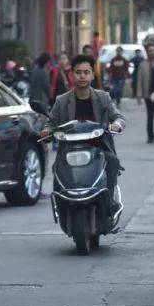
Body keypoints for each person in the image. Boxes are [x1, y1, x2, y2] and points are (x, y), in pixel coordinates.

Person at [47, 55, 126, 201]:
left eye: (86, 72)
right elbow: (50, 122)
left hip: (99, 147)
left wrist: (116, 125)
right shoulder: (62, 101)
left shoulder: (103, 98)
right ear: (72, 74)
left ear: (92, 75)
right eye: (78, 72)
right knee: (56, 167)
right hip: (69, 148)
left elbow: (119, 117)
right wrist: (46, 131)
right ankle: (61, 203)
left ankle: (109, 200)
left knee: (112, 161)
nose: (82, 76)